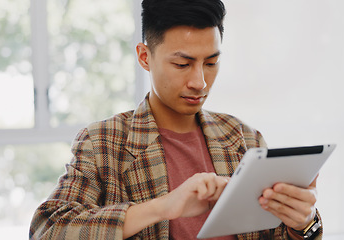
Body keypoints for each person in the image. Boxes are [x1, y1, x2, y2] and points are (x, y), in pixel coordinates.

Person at [29, 0, 322, 239]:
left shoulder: (244, 138)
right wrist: (162, 207)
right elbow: (48, 230)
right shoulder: (103, 142)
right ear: (145, 57)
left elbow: (280, 233)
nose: (200, 82)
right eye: (182, 64)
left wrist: (303, 224)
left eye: (211, 63)